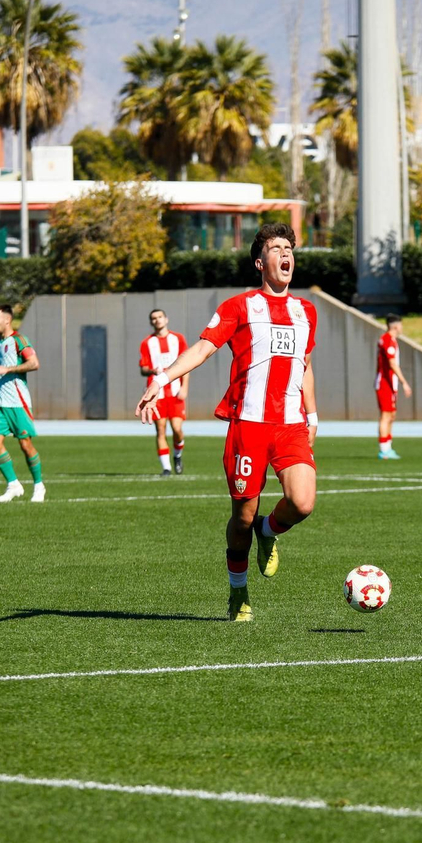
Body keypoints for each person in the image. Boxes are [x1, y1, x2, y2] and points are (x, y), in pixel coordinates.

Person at [135, 223, 319, 622]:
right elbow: (202, 348)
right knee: (242, 518)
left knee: (303, 503)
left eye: (289, 247)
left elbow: (304, 364)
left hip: (289, 424)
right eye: (276, 248)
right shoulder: (240, 307)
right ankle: (238, 592)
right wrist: (161, 380)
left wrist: (313, 413)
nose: (286, 254)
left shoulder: (307, 312)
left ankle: (269, 531)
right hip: (247, 426)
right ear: (260, 262)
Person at [0, 304, 45, 503]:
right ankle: (13, 484)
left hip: (18, 402)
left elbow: (34, 364)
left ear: (7, 320)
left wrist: (7, 369)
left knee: (25, 445)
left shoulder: (19, 340)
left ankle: (39, 485)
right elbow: (2, 369)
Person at [138, 308, 189, 476]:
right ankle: (166, 468)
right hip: (157, 395)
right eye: (154, 318)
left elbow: (187, 364)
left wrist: (184, 387)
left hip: (175, 393)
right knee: (160, 430)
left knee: (176, 429)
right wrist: (152, 370)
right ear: (151, 322)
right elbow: (143, 368)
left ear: (166, 319)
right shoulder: (147, 343)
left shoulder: (178, 339)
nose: (157, 320)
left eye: (160, 317)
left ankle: (178, 455)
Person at [375, 314, 413, 459]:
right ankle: (384, 450)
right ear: (396, 326)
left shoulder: (391, 340)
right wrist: (404, 382)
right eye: (401, 325)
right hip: (385, 383)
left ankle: (388, 447)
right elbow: (392, 364)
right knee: (386, 415)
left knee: (391, 415)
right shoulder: (387, 340)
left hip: (391, 384)